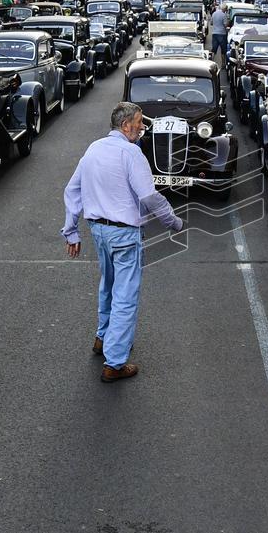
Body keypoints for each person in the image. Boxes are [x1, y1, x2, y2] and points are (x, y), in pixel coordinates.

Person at [62, 102, 185, 383]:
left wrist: (71, 231)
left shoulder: (93, 148)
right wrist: (172, 221)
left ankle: (102, 337)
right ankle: (114, 363)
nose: (143, 127)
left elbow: (73, 190)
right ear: (127, 125)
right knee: (125, 297)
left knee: (108, 284)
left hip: (99, 232)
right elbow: (149, 196)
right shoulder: (132, 153)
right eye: (140, 122)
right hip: (125, 234)